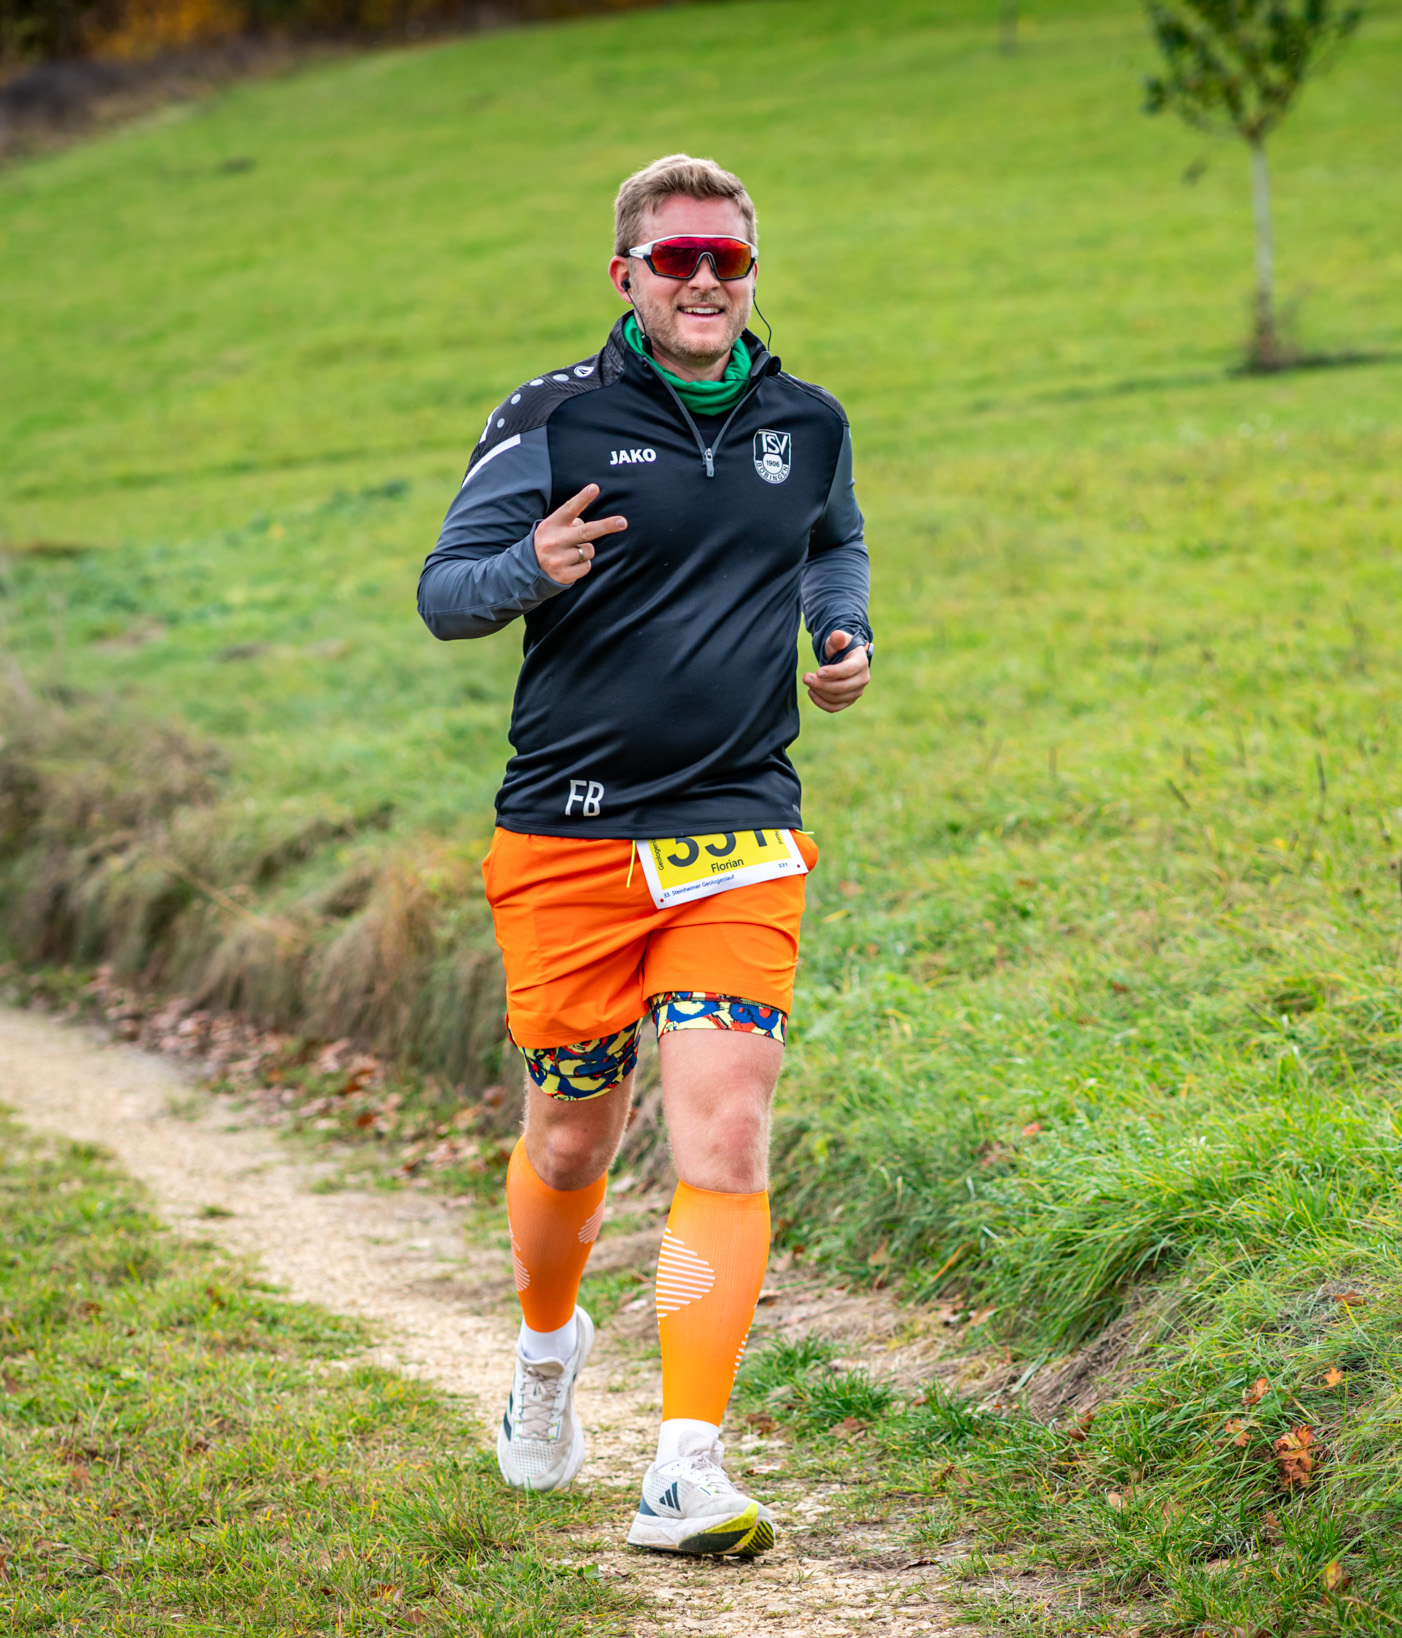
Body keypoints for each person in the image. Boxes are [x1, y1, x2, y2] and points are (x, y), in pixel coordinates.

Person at [415, 153, 873, 1558]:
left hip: (738, 821)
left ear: (752, 270)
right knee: (573, 1137)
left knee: (725, 1130)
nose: (705, 280)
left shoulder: (807, 420)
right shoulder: (551, 418)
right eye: (677, 258)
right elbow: (445, 594)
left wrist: (841, 632)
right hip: (569, 836)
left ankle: (685, 1463)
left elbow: (833, 543)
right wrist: (528, 571)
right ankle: (547, 1349)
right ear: (627, 275)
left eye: (728, 257)